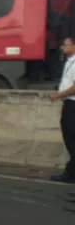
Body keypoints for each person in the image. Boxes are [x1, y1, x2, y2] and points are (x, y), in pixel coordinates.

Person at [49, 37, 75, 183]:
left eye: (66, 45)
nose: (62, 48)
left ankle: (70, 173)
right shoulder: (69, 62)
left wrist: (58, 95)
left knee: (72, 140)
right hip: (69, 103)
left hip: (73, 105)